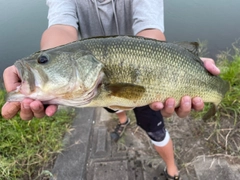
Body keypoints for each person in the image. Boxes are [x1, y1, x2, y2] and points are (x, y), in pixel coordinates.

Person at [1, 0, 220, 179]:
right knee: (112, 105)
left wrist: (176, 66)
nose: (42, 61)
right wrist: (43, 67)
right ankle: (123, 121)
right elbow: (60, 27)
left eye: (43, 60)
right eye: (44, 60)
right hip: (102, 85)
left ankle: (172, 169)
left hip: (146, 88)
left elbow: (150, 30)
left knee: (154, 127)